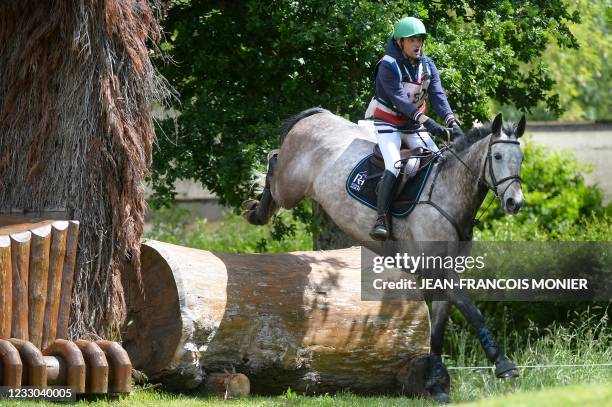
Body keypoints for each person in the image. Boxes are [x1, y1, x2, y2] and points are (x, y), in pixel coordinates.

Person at [365, 16, 464, 241]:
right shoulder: (387, 66)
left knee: (437, 159)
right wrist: (428, 122)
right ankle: (380, 219)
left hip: (411, 125)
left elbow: (438, 96)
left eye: (419, 39)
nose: (417, 44)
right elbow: (401, 101)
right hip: (388, 124)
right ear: (400, 42)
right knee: (395, 165)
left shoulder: (427, 66)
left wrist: (451, 122)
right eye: (411, 40)